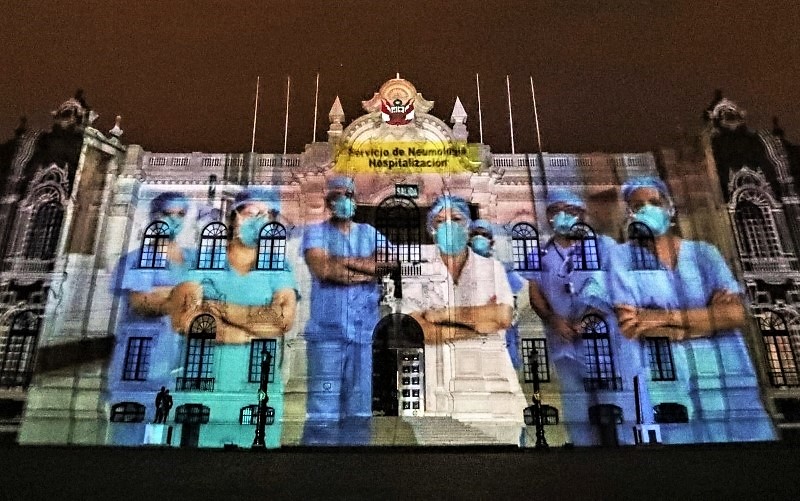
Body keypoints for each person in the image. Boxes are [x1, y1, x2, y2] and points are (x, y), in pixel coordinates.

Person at [608, 175, 775, 443]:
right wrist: (708, 319)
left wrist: (663, 319)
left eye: (655, 203)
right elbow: (631, 326)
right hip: (666, 376)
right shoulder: (620, 257)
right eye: (638, 206)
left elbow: (735, 314)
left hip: (725, 369)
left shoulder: (704, 254)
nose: (648, 210)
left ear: (669, 208)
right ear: (630, 214)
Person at [524, 188, 645, 446]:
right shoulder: (540, 255)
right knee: (578, 411)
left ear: (582, 214)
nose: (563, 216)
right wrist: (553, 319)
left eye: (570, 211)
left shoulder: (604, 246)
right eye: (556, 211)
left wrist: (588, 319)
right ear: (548, 216)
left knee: (613, 409)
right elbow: (534, 292)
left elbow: (612, 286)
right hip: (565, 344)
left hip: (605, 341)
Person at [404, 196, 526, 442]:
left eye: (456, 219)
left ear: (468, 225)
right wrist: (480, 325)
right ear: (431, 229)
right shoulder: (417, 272)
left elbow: (503, 316)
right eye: (440, 221)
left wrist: (442, 316)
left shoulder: (492, 268)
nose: (448, 226)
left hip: (492, 387)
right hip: (437, 389)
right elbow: (419, 331)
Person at [301, 176, 385, 445]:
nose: (343, 201)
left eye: (348, 196)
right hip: (326, 334)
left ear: (355, 201)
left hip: (362, 334)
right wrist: (366, 269)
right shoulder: (316, 232)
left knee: (359, 410)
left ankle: (355, 462)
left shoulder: (369, 233)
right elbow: (324, 269)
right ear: (328, 203)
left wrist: (342, 264)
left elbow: (388, 262)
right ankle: (318, 461)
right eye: (336, 197)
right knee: (322, 410)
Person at [170, 188, 298, 342]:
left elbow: (283, 320)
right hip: (204, 356)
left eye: (268, 216)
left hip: (259, 357)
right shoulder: (204, 259)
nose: (260, 222)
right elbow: (184, 317)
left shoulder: (279, 266)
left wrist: (218, 308)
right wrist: (244, 334)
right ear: (234, 218)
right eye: (252, 213)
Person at [468, 219, 526, 369]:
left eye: (484, 234)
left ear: (492, 242)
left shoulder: (504, 271)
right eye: (475, 234)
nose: (479, 238)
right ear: (469, 240)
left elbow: (516, 303)